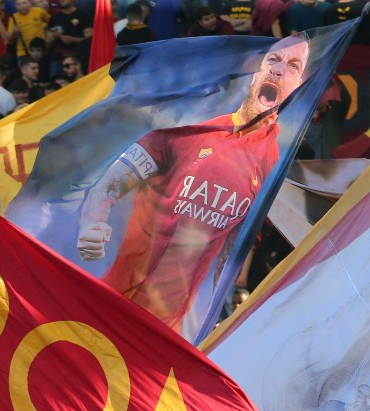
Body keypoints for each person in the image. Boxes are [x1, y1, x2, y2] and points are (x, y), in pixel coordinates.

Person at [75, 35, 310, 331]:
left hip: (168, 332)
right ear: (255, 71)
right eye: (273, 60)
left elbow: (237, 241)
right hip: (110, 301)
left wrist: (227, 301)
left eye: (293, 65)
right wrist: (91, 223)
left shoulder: (272, 159)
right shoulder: (188, 129)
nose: (278, 70)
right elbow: (107, 185)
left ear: (298, 83)